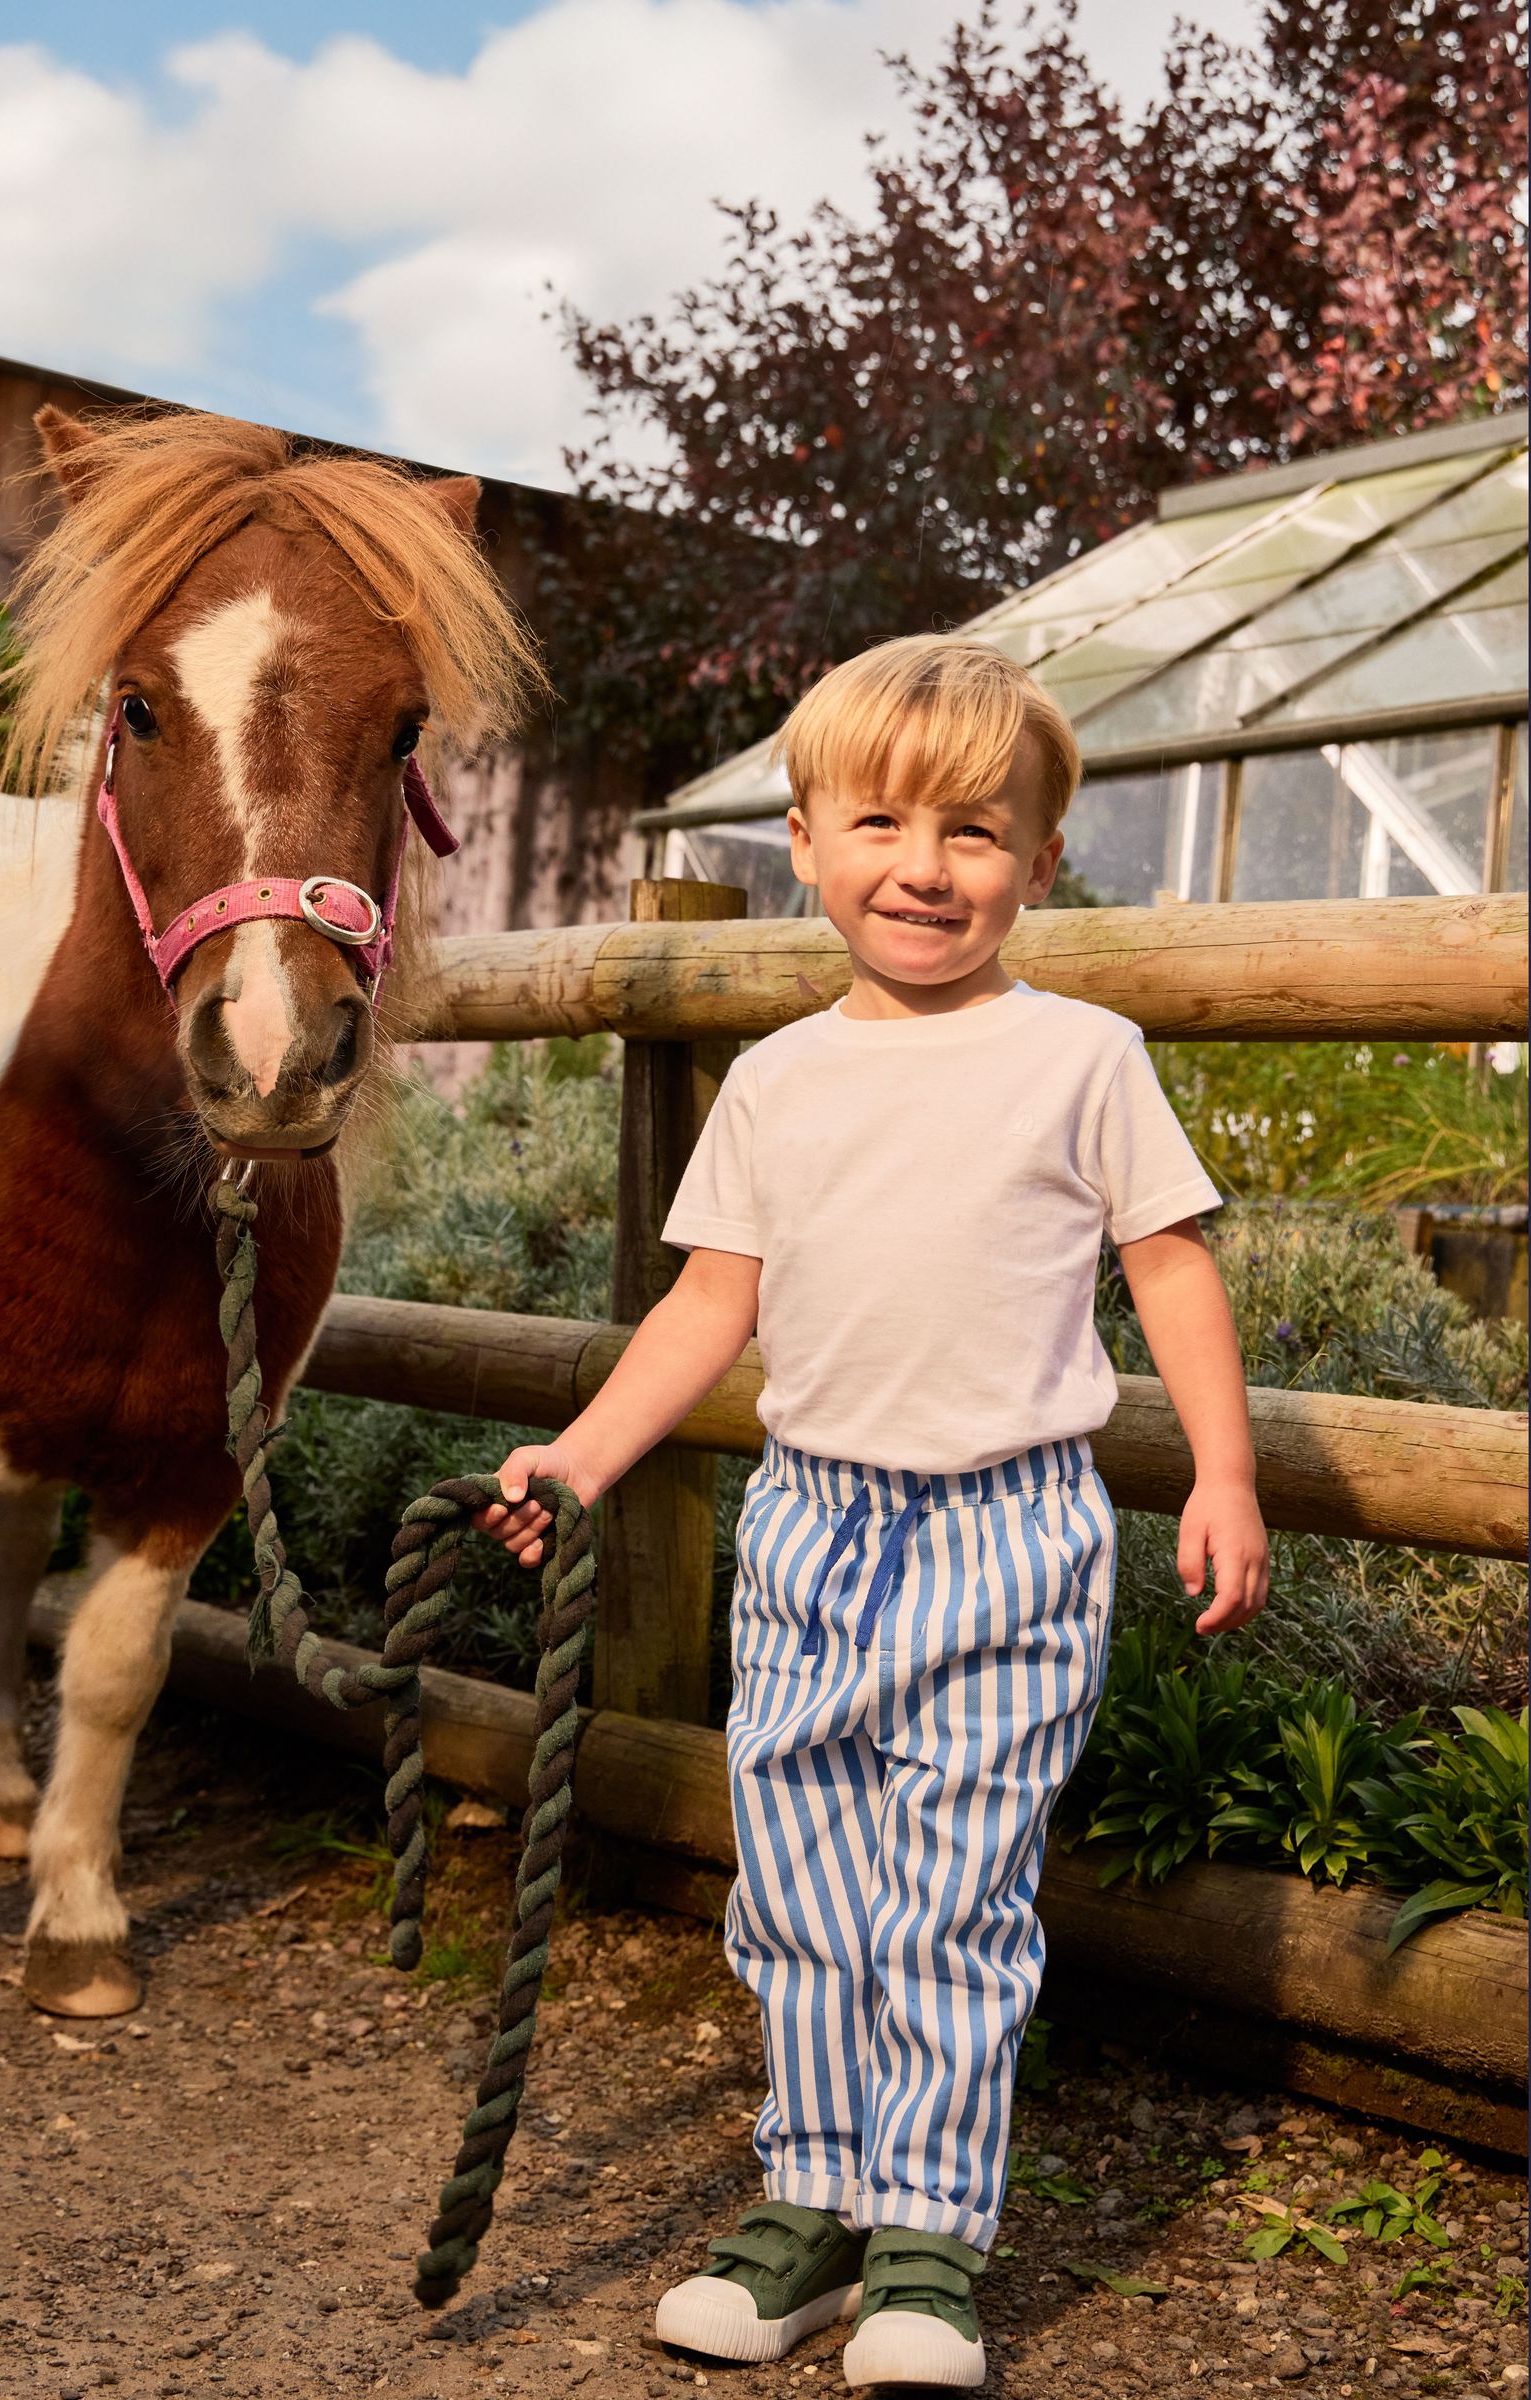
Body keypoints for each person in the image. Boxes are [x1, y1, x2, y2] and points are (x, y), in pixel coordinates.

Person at [472, 636, 1270, 2391]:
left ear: (1042, 864)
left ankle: (929, 2236)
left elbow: (1171, 1267)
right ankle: (811, 2204)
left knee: (952, 1896)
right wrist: (580, 1459)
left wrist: (1221, 1470)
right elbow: (704, 1307)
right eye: (885, 823)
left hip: (1011, 1533)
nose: (928, 865)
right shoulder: (778, 1081)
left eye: (978, 832)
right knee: (808, 1886)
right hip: (813, 1535)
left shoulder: (1082, 1056)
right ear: (811, 841)